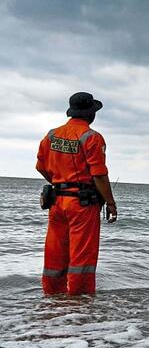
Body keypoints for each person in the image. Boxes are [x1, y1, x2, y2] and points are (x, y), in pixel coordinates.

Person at [35, 91, 118, 296]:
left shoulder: (51, 135)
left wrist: (60, 182)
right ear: (91, 114)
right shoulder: (91, 137)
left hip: (57, 202)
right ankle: (79, 304)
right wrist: (110, 203)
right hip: (83, 205)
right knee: (82, 258)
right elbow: (99, 175)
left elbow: (41, 167)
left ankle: (52, 299)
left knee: (55, 254)